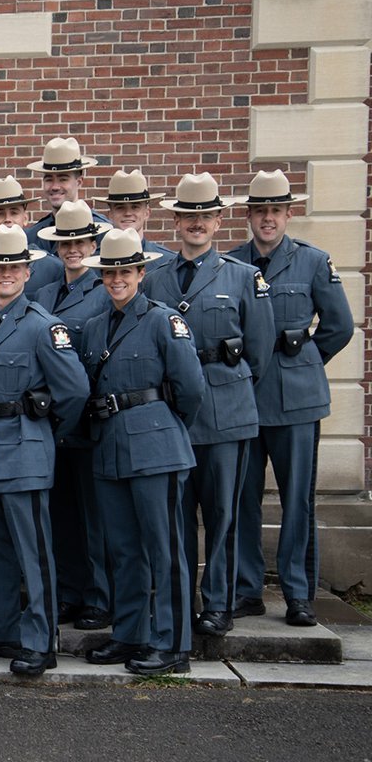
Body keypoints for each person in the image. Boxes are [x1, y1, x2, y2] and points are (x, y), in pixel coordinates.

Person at [143, 172, 275, 638]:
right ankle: (180, 602)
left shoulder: (244, 278)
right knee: (174, 518)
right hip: (171, 415)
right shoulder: (153, 278)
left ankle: (218, 603)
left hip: (224, 414)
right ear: (176, 221)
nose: (196, 224)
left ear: (219, 220)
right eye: (188, 216)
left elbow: (258, 353)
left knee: (223, 515)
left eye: (205, 215)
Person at [0, 224, 90, 677]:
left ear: (27, 271)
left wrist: (43, 434)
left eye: (13, 266)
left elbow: (73, 392)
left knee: (33, 552)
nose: (5, 274)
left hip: (25, 451)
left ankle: (40, 639)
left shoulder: (43, 327)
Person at [228, 170, 354, 627]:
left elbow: (339, 326)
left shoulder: (313, 263)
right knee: (241, 497)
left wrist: (301, 363)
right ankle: (246, 589)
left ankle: (299, 593)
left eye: (275, 211)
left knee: (297, 497)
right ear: (249, 215)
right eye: (259, 210)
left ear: (288, 213)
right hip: (242, 400)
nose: (267, 219)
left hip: (296, 402)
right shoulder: (231, 264)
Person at [80, 227, 205, 675]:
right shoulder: (94, 328)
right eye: (110, 272)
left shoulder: (162, 320)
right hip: (110, 449)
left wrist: (162, 429)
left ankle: (172, 644)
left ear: (140, 273)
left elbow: (191, 389)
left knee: (164, 548)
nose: (117, 280)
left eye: (125, 272)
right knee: (124, 550)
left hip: (157, 449)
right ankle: (129, 633)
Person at [33, 201, 113, 630]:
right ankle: (68, 592)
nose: (73, 249)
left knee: (93, 516)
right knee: (60, 513)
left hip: (89, 421)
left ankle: (99, 596)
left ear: (93, 242)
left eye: (81, 241)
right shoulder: (43, 295)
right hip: (51, 423)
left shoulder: (105, 290)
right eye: (65, 242)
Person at [0, 176, 63, 293]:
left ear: (25, 218)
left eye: (14, 213)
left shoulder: (52, 268)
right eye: (0, 214)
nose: (8, 219)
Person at [24, 137, 110, 252]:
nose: (55, 187)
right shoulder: (32, 236)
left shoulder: (103, 233)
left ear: (79, 182)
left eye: (63, 179)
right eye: (49, 179)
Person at [92, 169, 174, 269]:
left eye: (135, 207)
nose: (128, 213)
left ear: (147, 213)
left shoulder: (167, 262)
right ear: (110, 215)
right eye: (120, 207)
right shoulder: (94, 263)